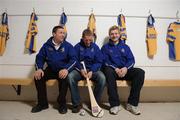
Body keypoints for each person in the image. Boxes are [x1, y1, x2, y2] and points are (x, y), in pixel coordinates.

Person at [31, 25, 76, 114]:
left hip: (62, 70)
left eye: (64, 33)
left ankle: (62, 104)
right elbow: (39, 57)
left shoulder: (68, 46)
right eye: (61, 33)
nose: (63, 35)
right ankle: (42, 103)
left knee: (65, 79)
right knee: (38, 77)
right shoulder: (47, 45)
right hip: (51, 69)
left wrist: (66, 69)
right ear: (54, 34)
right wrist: (39, 68)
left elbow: (74, 59)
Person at [101, 25, 145, 115]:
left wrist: (125, 68)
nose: (114, 35)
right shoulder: (105, 48)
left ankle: (132, 104)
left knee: (140, 72)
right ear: (109, 35)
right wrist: (116, 68)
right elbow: (104, 61)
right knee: (108, 71)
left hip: (125, 71)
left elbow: (132, 60)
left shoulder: (126, 47)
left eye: (116, 33)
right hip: (113, 72)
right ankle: (114, 105)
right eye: (112, 34)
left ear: (119, 34)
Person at [68, 29, 106, 113]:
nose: (88, 42)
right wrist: (80, 69)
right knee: (70, 77)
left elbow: (99, 61)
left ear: (92, 38)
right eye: (86, 40)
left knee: (102, 78)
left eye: (90, 40)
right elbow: (74, 60)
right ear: (82, 38)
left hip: (92, 71)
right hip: (80, 70)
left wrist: (92, 70)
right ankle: (77, 104)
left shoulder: (95, 47)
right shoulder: (77, 47)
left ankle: (94, 102)